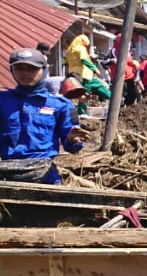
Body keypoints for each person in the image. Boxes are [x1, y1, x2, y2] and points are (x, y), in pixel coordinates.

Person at [0, 48, 88, 183]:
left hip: (44, 174)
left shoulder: (61, 105)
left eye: (31, 69)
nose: (25, 73)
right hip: (7, 173)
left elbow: (73, 147)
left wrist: (72, 140)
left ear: (44, 70)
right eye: (19, 68)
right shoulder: (3, 100)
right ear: (12, 71)